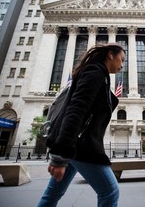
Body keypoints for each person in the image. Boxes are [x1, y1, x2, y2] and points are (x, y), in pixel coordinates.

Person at [37, 43, 125, 207]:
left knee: (52, 195)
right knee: (110, 192)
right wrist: (61, 155)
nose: (122, 65)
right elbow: (76, 110)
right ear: (111, 55)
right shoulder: (95, 72)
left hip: (74, 146)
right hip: (80, 147)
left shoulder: (98, 75)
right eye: (122, 59)